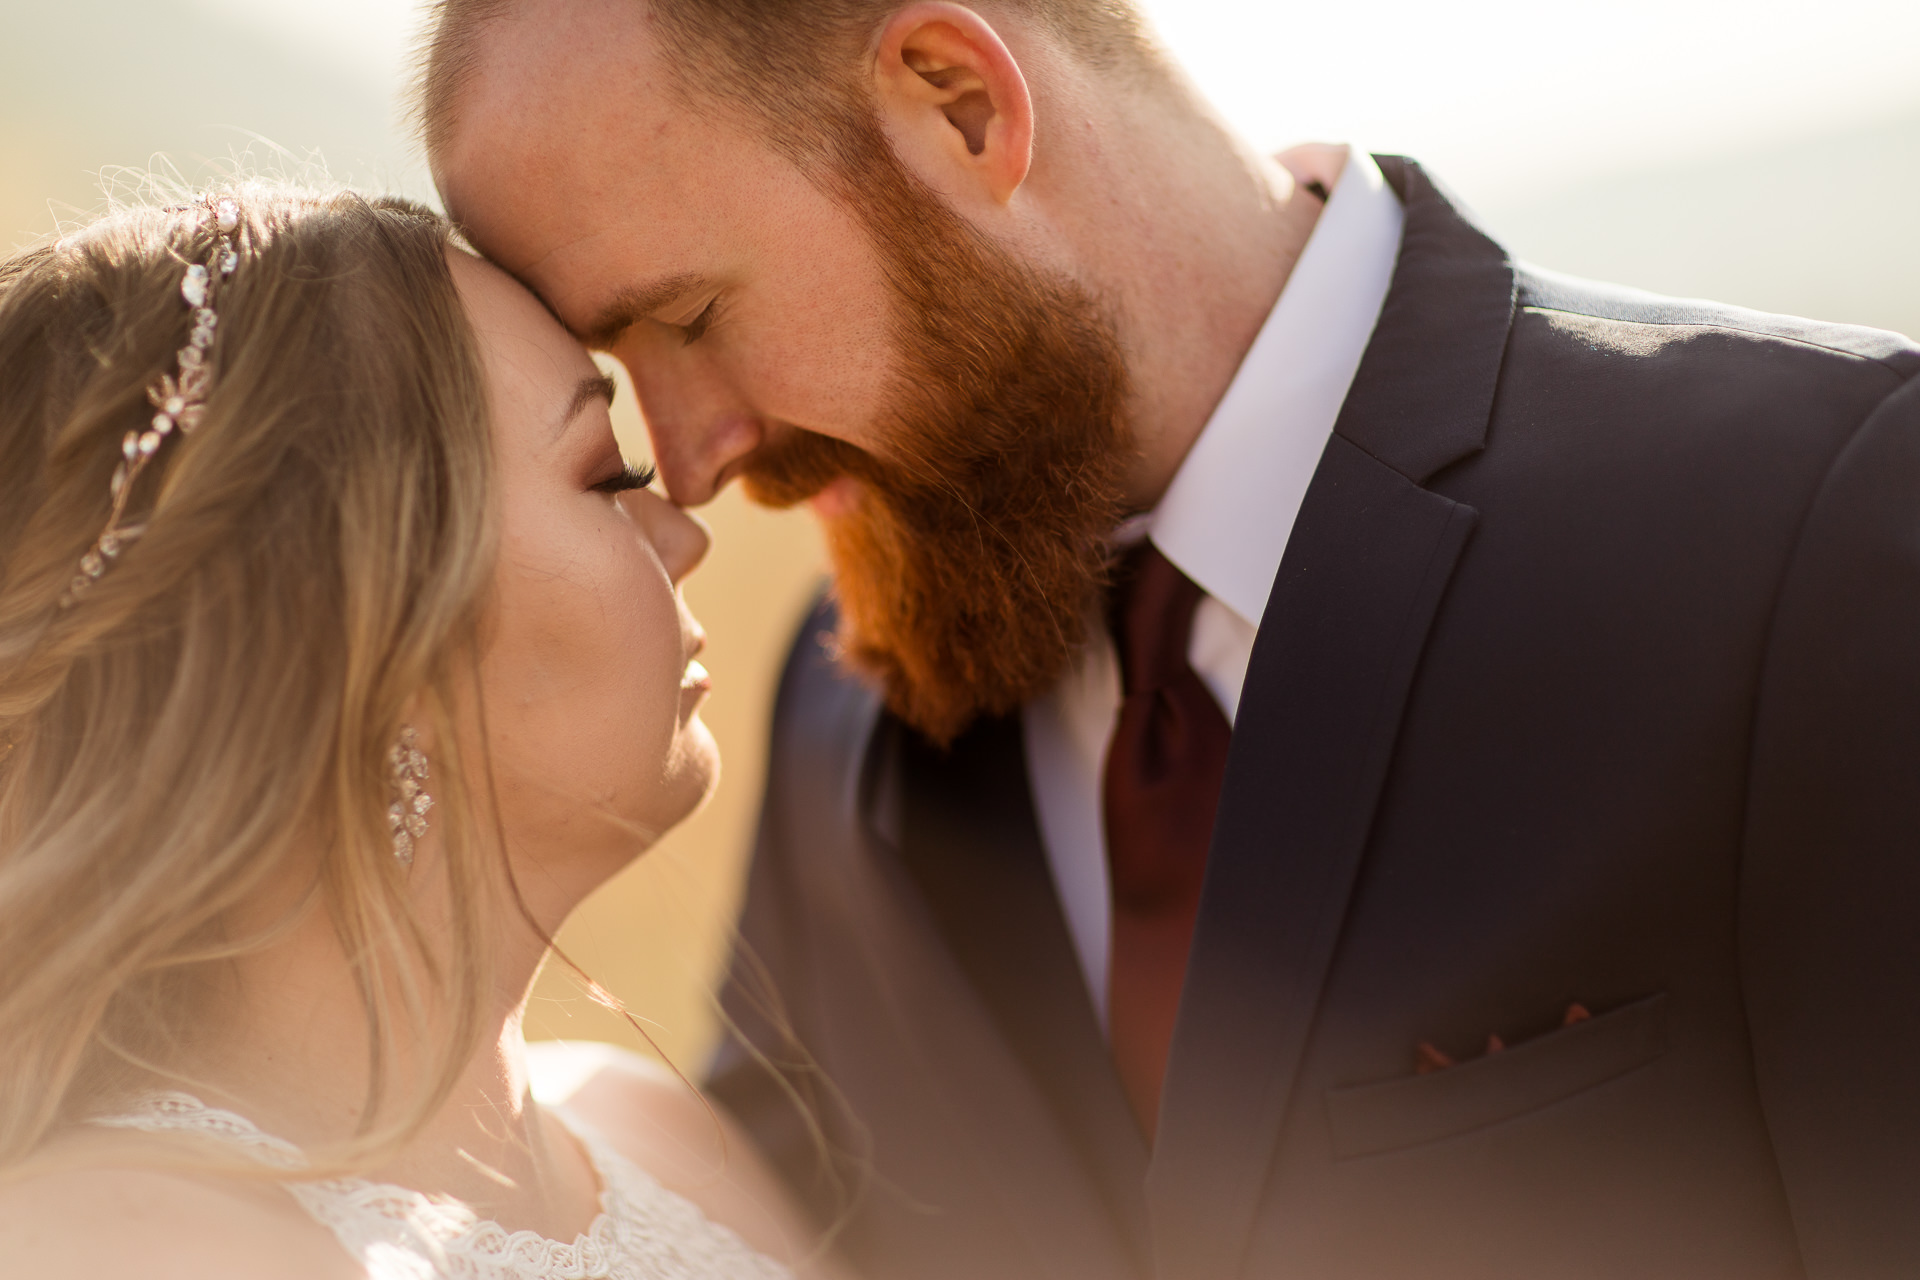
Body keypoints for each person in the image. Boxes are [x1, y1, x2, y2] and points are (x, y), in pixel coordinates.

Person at [419, 2, 1920, 1276]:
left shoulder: (1822, 528)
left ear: (958, 105)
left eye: (685, 318)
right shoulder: (840, 713)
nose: (689, 464)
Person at [0, 188, 849, 1280]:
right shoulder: (112, 1246)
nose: (682, 532)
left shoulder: (669, 1137)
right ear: (356, 627)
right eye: (606, 476)